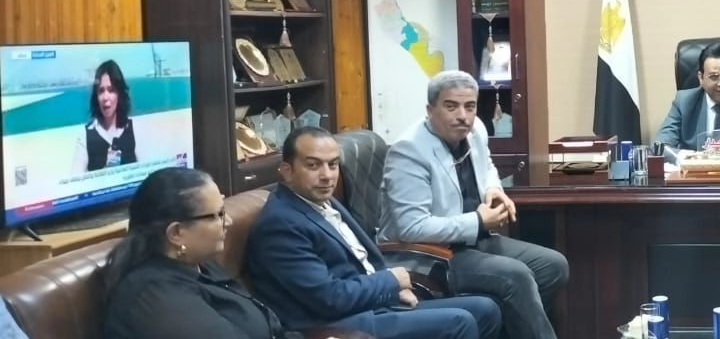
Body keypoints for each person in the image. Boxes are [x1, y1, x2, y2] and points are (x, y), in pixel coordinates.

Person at [245, 127, 503, 339]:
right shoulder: (280, 225)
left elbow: (363, 259)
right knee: (459, 322)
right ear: (287, 171)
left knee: (486, 309)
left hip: (372, 302)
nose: (327, 176)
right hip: (338, 323)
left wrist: (391, 289)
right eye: (313, 165)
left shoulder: (321, 200)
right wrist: (390, 282)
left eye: (333, 165)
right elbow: (329, 298)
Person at [380, 70, 569, 339]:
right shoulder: (408, 151)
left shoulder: (475, 128)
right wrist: (478, 221)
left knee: (552, 265)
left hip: (471, 241)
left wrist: (493, 189)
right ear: (430, 110)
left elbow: (487, 165)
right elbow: (411, 228)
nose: (463, 116)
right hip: (427, 255)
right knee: (515, 275)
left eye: (469, 106)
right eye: (451, 106)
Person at [101, 167, 334, 339]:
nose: (228, 221)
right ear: (176, 233)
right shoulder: (155, 299)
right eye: (218, 215)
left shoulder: (199, 262)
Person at [80, 59, 137, 172]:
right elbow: (75, 179)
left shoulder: (134, 129)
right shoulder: (85, 135)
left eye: (111, 90)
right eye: (101, 91)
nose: (105, 97)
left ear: (119, 94)